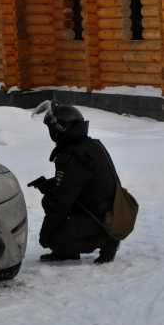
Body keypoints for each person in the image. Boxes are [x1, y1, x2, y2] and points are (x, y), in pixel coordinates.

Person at [28, 100, 121, 264]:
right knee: (49, 197)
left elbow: (62, 202)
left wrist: (45, 236)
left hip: (101, 216)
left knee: (56, 241)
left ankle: (108, 240)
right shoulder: (89, 145)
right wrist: (50, 185)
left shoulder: (73, 156)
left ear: (60, 129)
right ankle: (66, 253)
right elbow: (77, 182)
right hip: (101, 207)